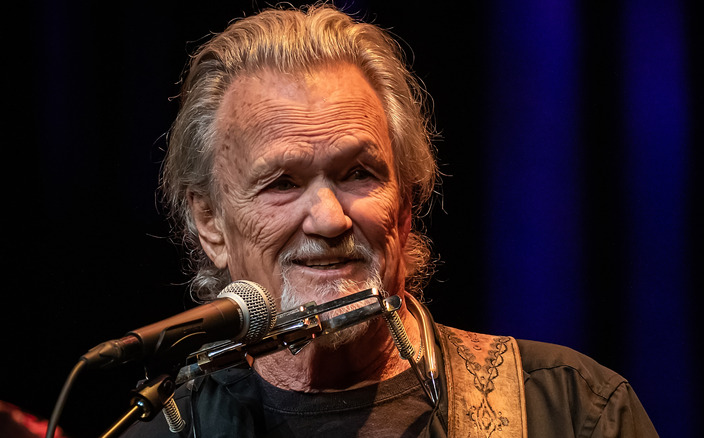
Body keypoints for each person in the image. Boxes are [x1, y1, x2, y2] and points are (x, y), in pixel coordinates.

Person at [123, 3, 658, 437]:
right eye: (282, 183)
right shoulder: (166, 430)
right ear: (211, 223)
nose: (330, 220)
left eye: (359, 173)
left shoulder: (570, 411)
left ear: (406, 204)